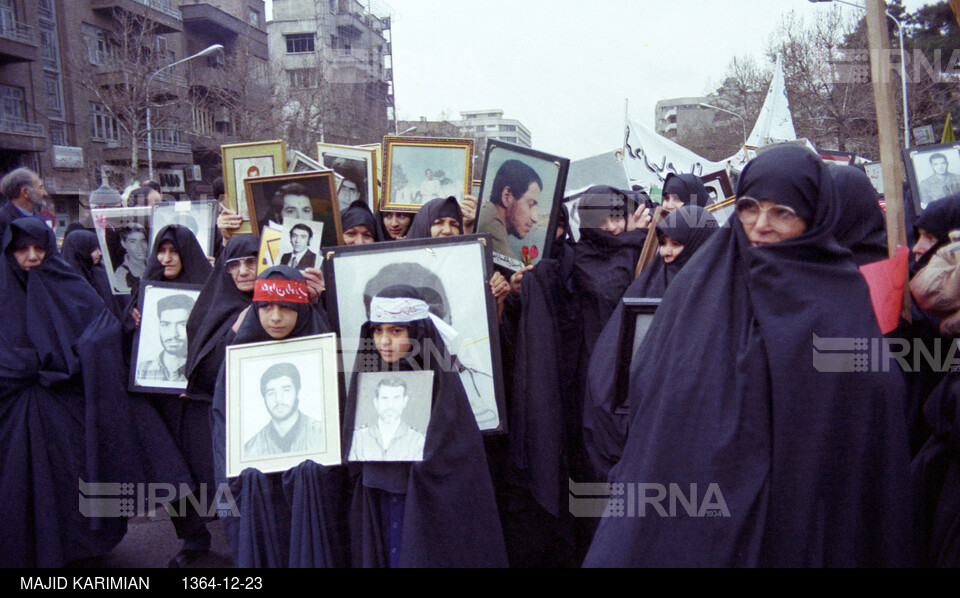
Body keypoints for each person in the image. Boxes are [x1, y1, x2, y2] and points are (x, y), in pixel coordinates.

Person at [583, 144, 911, 567]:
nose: (761, 225)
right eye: (750, 207)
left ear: (816, 215)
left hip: (807, 518)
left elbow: (868, 410)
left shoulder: (839, 297)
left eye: (783, 212)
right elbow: (653, 392)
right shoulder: (699, 288)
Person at [0, 218, 147, 567]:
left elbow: (101, 326)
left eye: (40, 248)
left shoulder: (68, 284)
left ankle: (80, 550)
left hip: (66, 408)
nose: (33, 257)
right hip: (14, 414)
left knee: (71, 484)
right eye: (23, 249)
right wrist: (28, 365)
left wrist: (70, 359)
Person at [345, 284, 508, 567]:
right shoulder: (368, 378)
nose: (384, 340)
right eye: (378, 330)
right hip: (380, 496)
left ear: (418, 332)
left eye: (396, 331)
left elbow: (457, 454)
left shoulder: (443, 385)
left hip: (425, 504)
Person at [212, 267, 346, 568]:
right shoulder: (239, 354)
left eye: (286, 307)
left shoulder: (323, 352)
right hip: (257, 487)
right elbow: (223, 426)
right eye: (266, 307)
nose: (274, 317)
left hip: (311, 486)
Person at [582, 205, 719, 481]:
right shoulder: (649, 287)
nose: (666, 252)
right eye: (663, 243)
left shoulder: (720, 302)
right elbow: (608, 372)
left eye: (677, 244)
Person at [243, 362, 326, 458]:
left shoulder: (323, 435)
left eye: (286, 390)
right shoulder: (249, 450)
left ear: (298, 393)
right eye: (271, 393)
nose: (279, 399)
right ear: (264, 398)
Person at [348, 376, 427, 462]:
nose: (390, 406)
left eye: (396, 398)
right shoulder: (357, 438)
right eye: (385, 398)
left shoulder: (418, 441)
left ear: (404, 402)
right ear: (376, 403)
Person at [477, 160, 543, 261]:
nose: (535, 218)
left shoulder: (489, 214)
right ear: (507, 196)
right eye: (530, 204)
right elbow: (515, 273)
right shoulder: (491, 225)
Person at [61, 228, 125, 319]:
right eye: (94, 249)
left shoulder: (100, 273)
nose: (99, 253)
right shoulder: (64, 282)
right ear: (81, 249)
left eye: (99, 248)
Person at [136, 294, 195, 383]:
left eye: (182, 325)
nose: (173, 334)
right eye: (166, 324)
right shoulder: (141, 370)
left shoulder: (200, 371)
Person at [0, 167, 47, 238]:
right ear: (25, 192)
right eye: (40, 188)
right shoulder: (2, 221)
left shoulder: (39, 221)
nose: (45, 193)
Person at [114, 222, 149, 293]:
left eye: (143, 241)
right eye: (133, 242)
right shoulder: (122, 275)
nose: (140, 247)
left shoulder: (154, 263)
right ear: (124, 244)